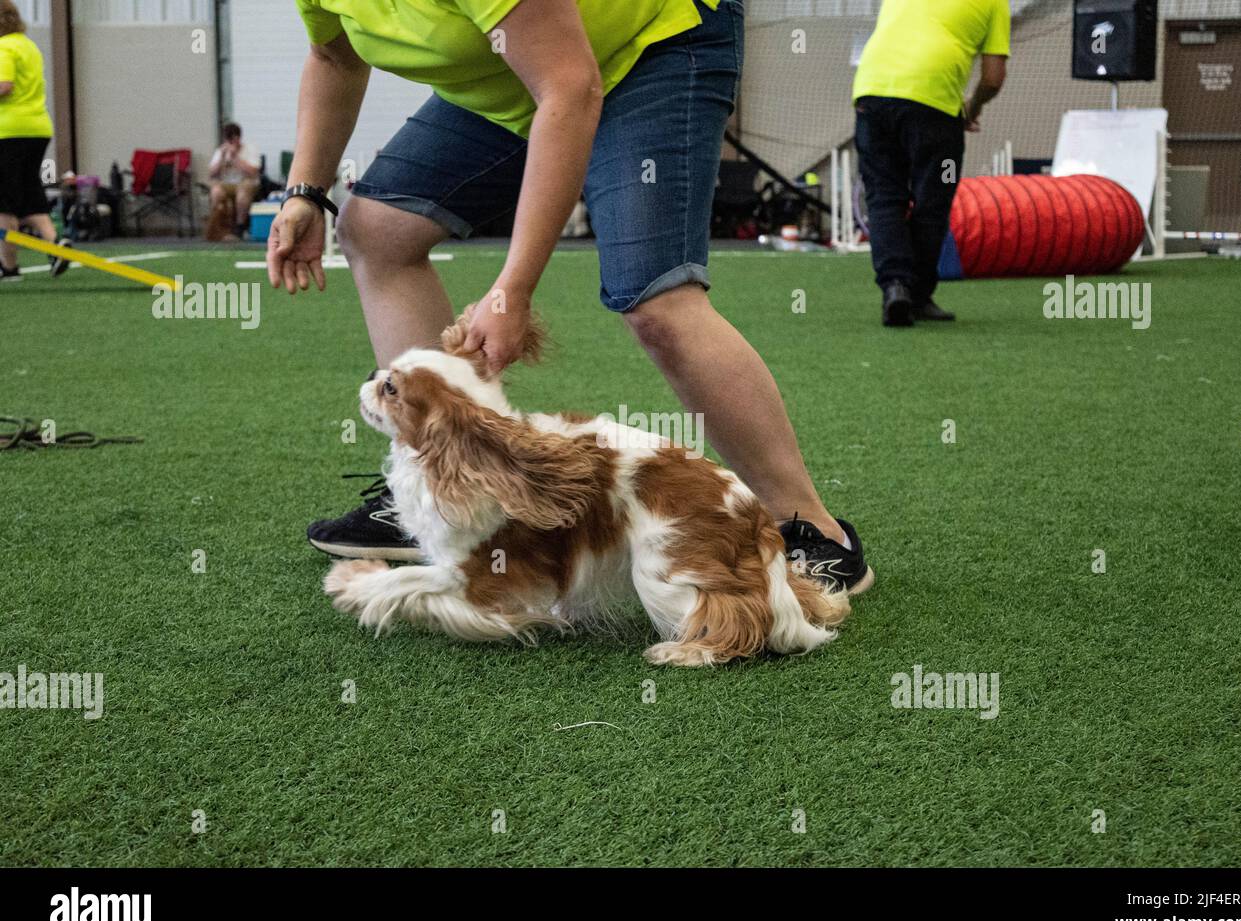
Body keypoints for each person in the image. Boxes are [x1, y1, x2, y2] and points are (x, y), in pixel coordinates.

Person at [270, 0, 873, 594]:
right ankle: (447, 485)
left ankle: (811, 530)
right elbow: (333, 56)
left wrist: (513, 289)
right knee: (377, 229)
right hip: (514, 81)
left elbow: (571, 88)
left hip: (648, 48)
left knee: (656, 297)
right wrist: (306, 191)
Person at [853, 0, 1009, 326]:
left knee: (884, 196)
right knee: (931, 201)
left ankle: (895, 287)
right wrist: (973, 107)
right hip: (935, 102)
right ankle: (919, 295)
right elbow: (993, 78)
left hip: (872, 91)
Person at [0, 0, 70, 282]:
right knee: (29, 193)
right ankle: (56, 246)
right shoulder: (28, 46)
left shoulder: (3, 48)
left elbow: (4, 86)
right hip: (38, 127)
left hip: (9, 131)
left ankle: (9, 266)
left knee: (3, 202)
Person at [208, 122, 261, 239]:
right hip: (227, 183)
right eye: (228, 140)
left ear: (238, 138)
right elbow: (211, 173)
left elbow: (253, 172)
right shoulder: (221, 151)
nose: (230, 143)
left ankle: (240, 226)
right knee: (216, 192)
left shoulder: (250, 149)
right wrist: (222, 157)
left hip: (246, 182)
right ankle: (218, 226)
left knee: (242, 194)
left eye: (233, 139)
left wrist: (235, 157)